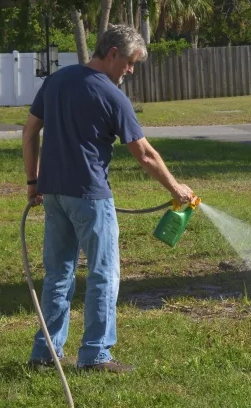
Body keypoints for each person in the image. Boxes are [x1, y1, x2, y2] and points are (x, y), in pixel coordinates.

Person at [22, 24, 195, 373]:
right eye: (130, 62)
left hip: (53, 193)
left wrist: (33, 180)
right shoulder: (112, 96)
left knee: (58, 274)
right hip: (89, 197)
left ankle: (45, 354)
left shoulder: (57, 80)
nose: (130, 71)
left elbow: (29, 133)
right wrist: (177, 189)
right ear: (113, 53)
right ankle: (96, 355)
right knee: (103, 273)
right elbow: (144, 154)